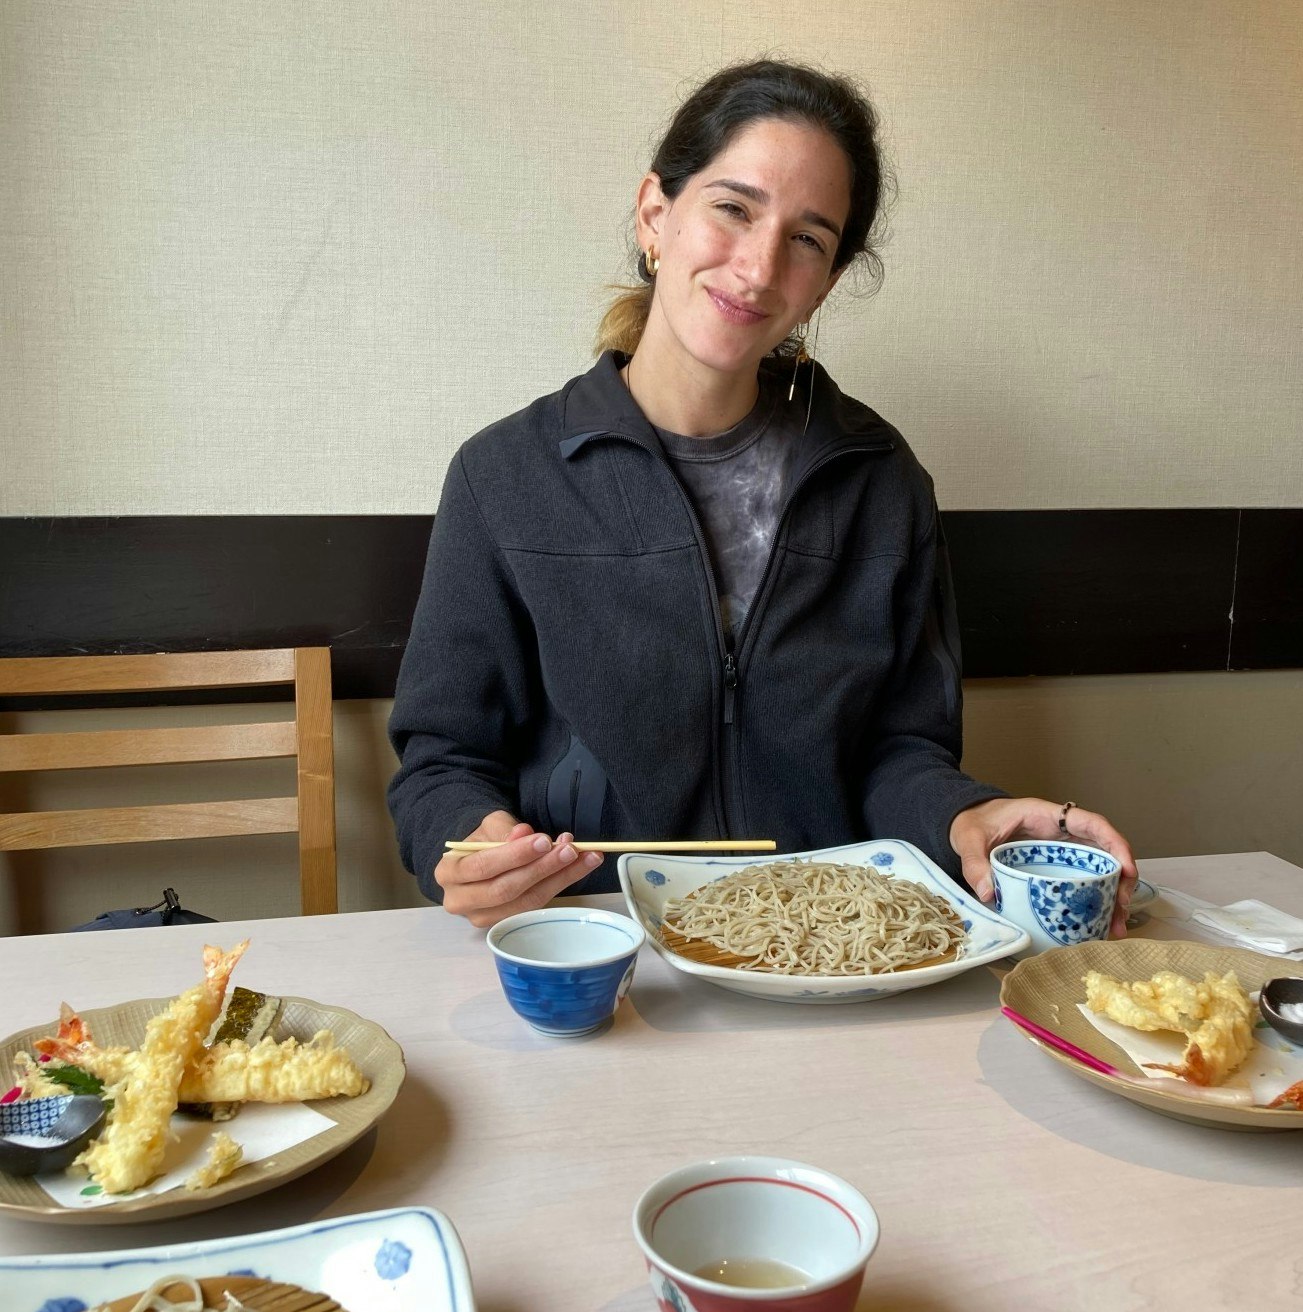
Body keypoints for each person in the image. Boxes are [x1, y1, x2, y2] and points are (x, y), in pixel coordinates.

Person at [388, 59, 1136, 929]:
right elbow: (440, 763)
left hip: (828, 948)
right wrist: (466, 840)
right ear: (655, 214)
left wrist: (965, 814)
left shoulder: (879, 479)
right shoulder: (506, 475)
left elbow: (900, 751)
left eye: (807, 239)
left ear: (827, 281)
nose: (757, 266)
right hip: (600, 947)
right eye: (733, 209)